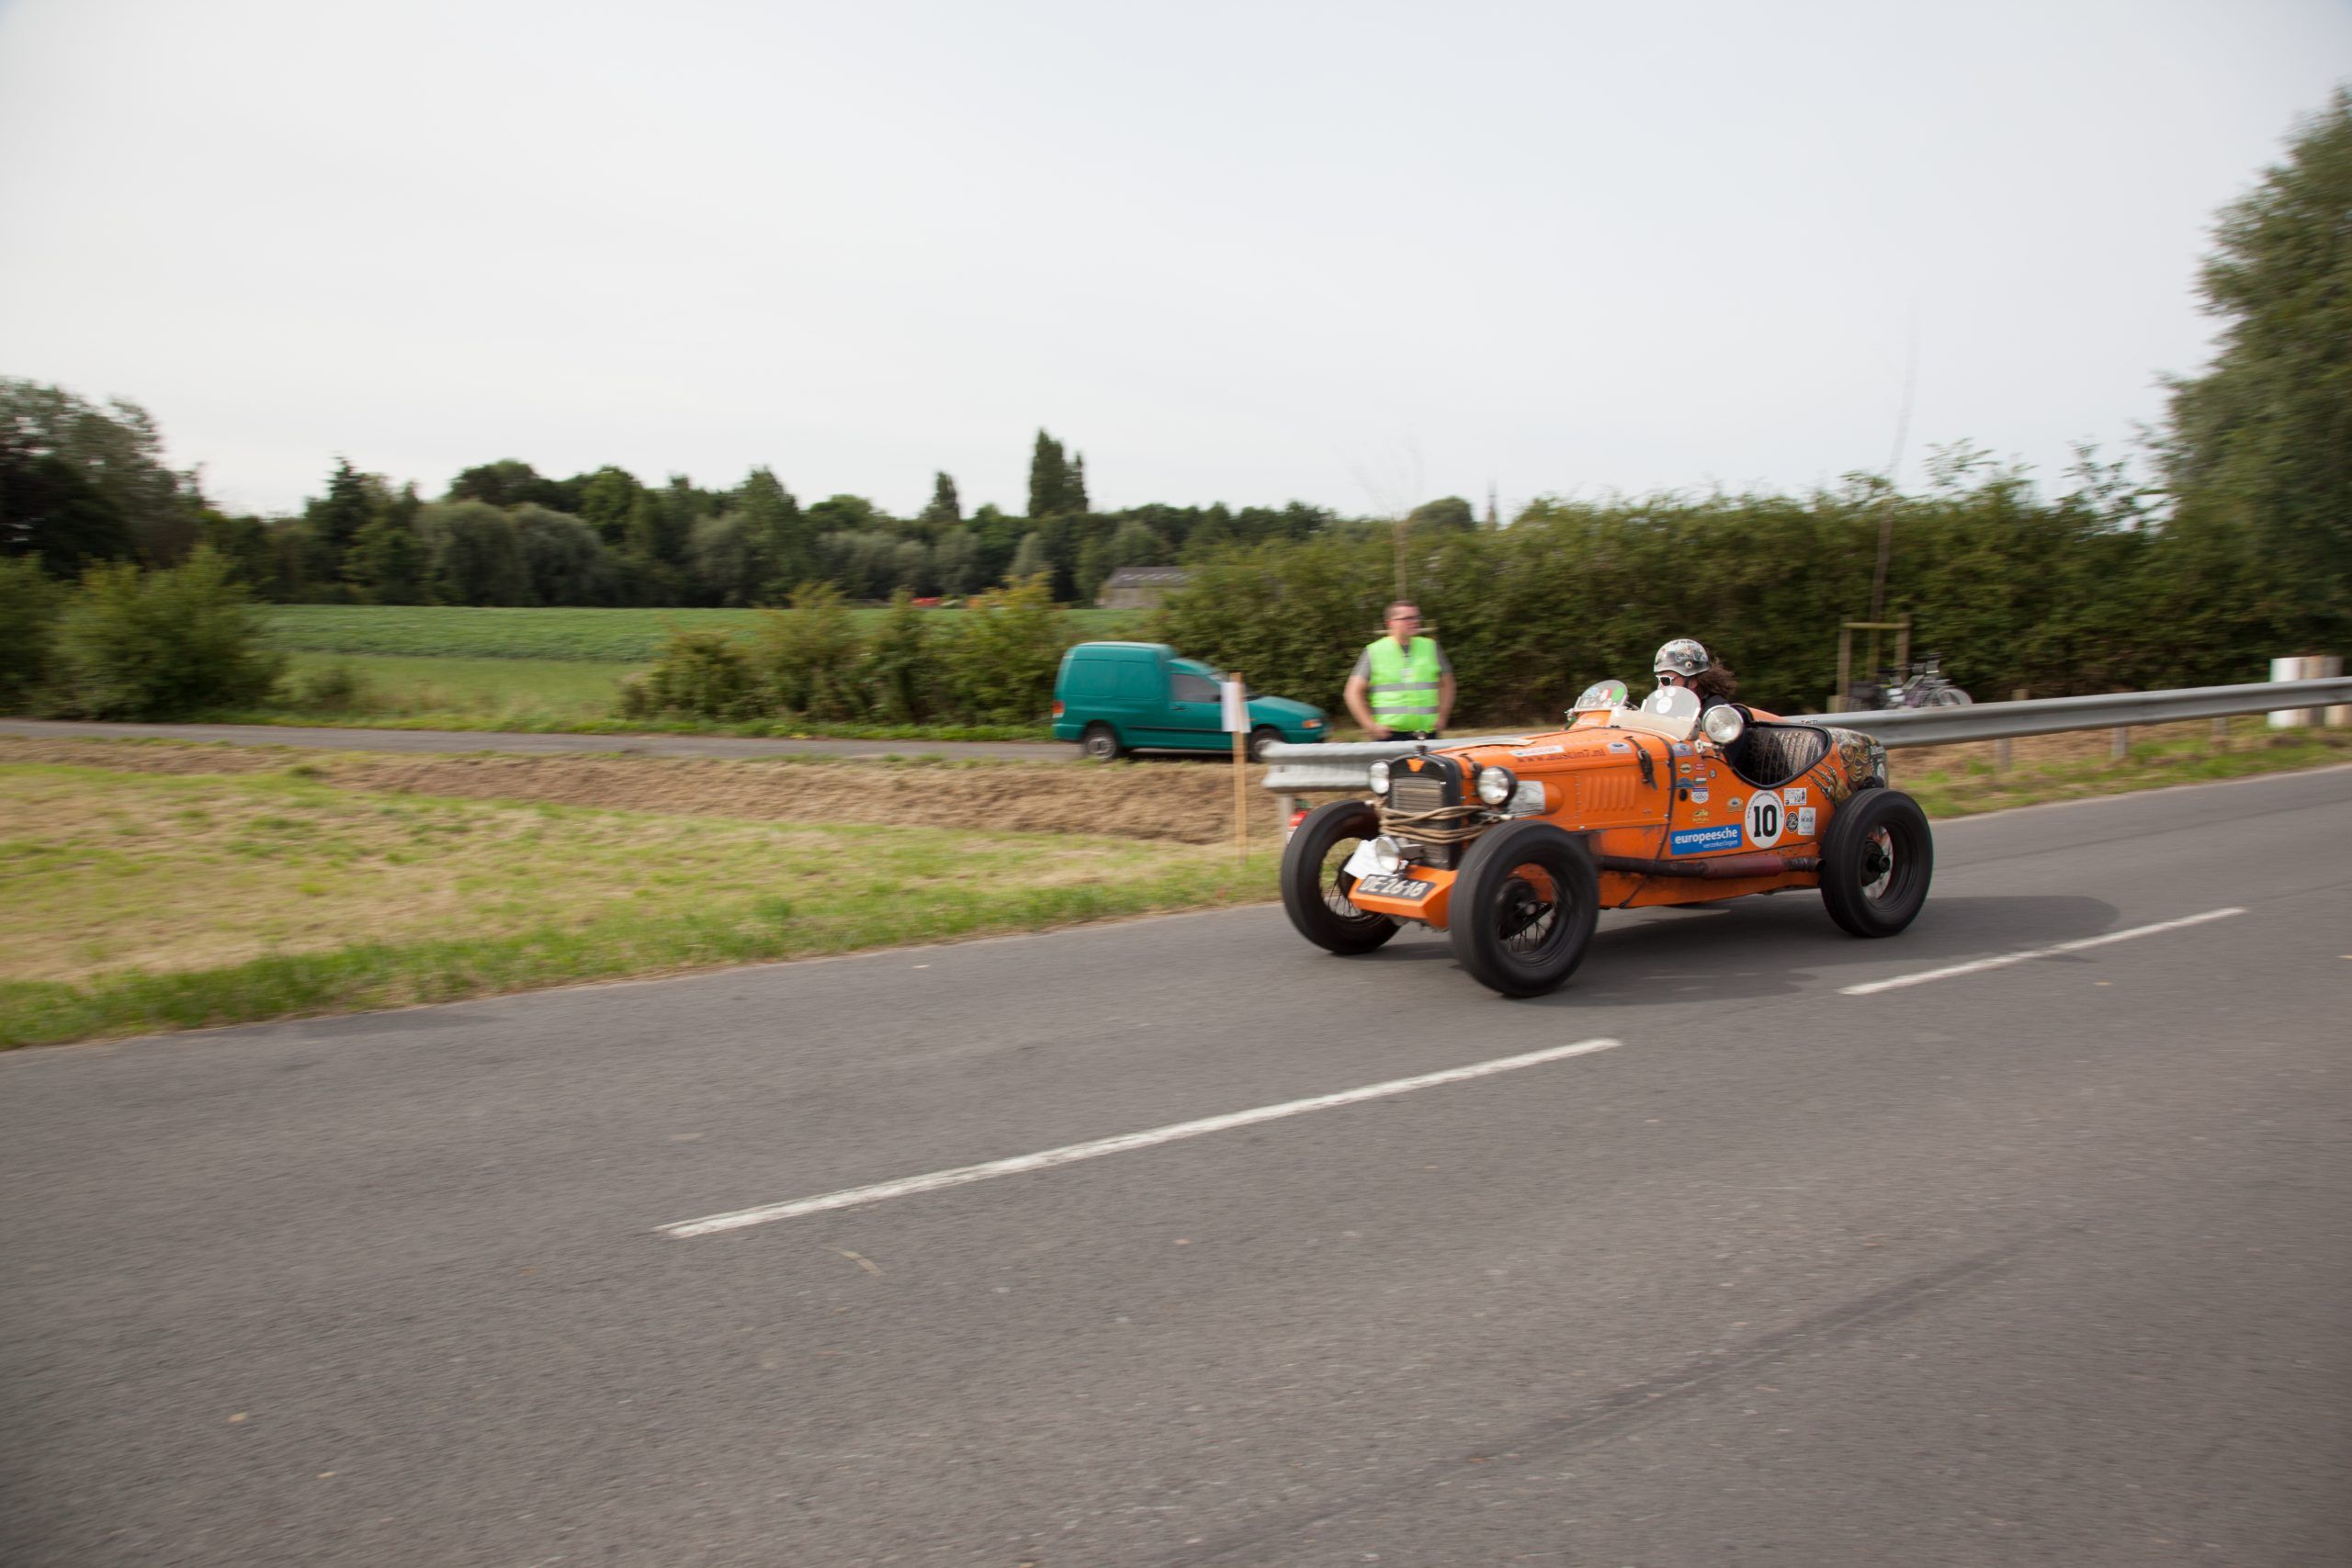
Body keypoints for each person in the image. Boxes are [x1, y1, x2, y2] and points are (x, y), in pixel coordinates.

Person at [1344, 601, 1454, 739]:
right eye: (1407, 618)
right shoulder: (1374, 651)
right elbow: (1352, 692)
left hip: (1427, 734)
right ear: (1390, 623)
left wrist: (1443, 716)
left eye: (1416, 617)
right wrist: (1370, 726)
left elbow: (1448, 685)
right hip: (1389, 736)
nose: (1414, 622)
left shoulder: (1431, 647)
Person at [1653, 637, 1739, 712]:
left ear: (1692, 682)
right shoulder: (1668, 709)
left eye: (1666, 680)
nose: (1659, 687)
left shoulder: (1716, 710)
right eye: (1658, 680)